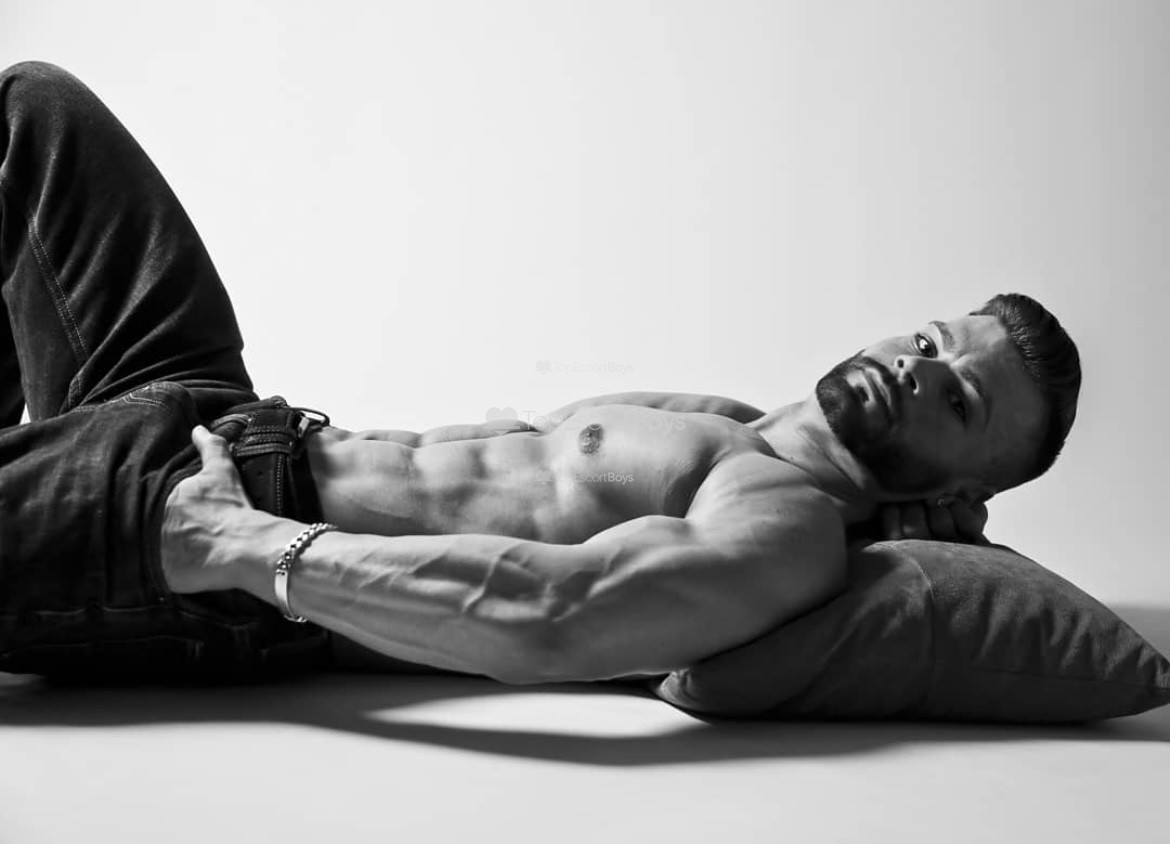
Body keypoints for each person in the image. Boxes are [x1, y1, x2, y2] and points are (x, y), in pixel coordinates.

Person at [0, 62, 1081, 686]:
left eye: (959, 400)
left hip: (205, 531)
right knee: (36, 115)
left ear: (963, 490)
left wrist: (247, 549)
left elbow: (556, 615)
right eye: (931, 342)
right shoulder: (737, 427)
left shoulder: (784, 526)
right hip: (218, 415)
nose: (917, 372)